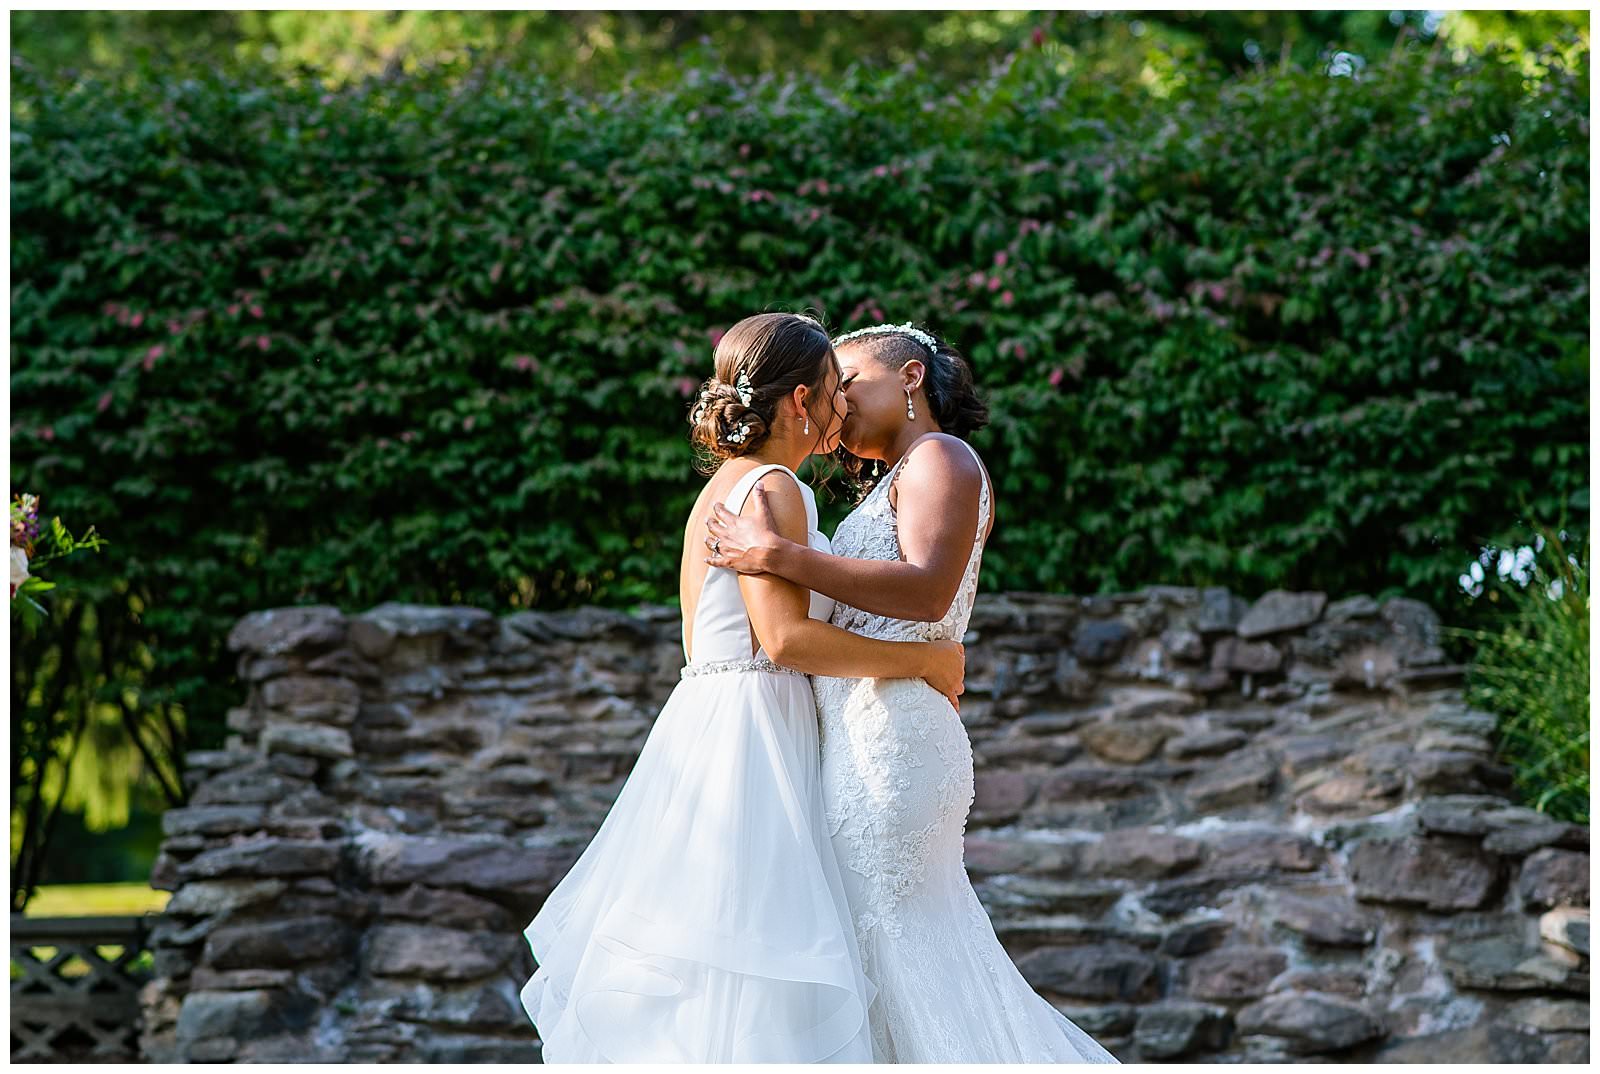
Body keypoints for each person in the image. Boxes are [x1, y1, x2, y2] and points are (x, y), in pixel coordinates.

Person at [519, 312, 966, 1063]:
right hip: (755, 728)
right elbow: (787, 641)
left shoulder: (728, 484)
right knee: (756, 961)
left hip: (712, 719)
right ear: (800, 401)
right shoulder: (776, 489)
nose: (843, 408)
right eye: (835, 390)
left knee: (721, 960)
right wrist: (924, 661)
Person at [704, 322, 1119, 1063]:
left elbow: (928, 591)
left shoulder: (943, 458)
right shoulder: (890, 483)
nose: (837, 403)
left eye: (850, 381)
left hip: (894, 738)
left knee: (896, 943)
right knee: (878, 957)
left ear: (910, 379)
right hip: (859, 730)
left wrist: (780, 556)